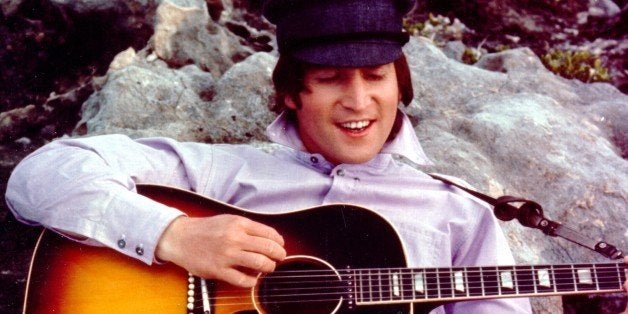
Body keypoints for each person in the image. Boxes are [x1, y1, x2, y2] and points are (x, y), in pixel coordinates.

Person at [5, 0, 625, 313]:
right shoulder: (229, 174)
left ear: (398, 82)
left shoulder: (459, 212)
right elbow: (38, 177)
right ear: (291, 92)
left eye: (376, 75)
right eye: (331, 78)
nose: (359, 101)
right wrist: (172, 235)